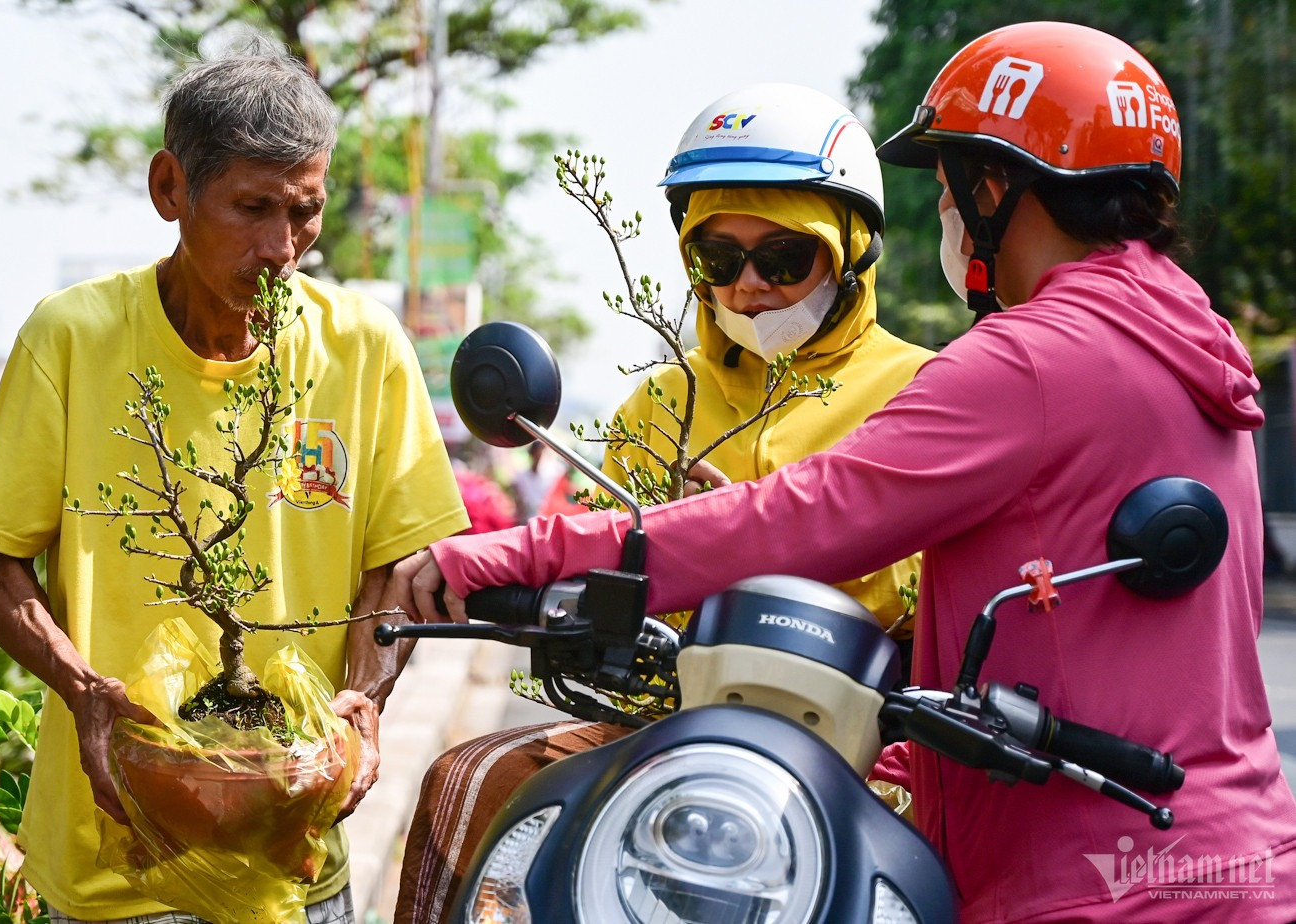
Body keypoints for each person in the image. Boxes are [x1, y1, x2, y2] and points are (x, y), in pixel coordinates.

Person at [392, 23, 1296, 924]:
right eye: (719, 257)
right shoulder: (1189, 350)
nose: (748, 284)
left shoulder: (1031, 360)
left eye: (944, 191)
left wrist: (511, 555)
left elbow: (802, 517)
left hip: (1088, 875)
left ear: (989, 188)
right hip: (1214, 853)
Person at [392, 83, 932, 923]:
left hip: (871, 749)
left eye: (785, 259)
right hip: (667, 729)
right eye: (718, 260)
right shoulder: (662, 402)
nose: (749, 286)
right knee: (467, 782)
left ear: (852, 250)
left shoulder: (924, 391)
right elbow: (584, 545)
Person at [0, 38, 469, 923]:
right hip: (111, 858)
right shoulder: (74, 340)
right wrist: (85, 692)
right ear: (171, 190)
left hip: (293, 853)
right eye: (251, 208)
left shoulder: (361, 346)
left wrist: (366, 695)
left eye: (304, 212)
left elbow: (400, 567)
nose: (281, 247)